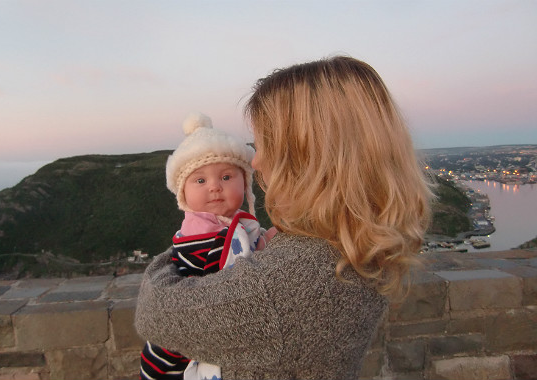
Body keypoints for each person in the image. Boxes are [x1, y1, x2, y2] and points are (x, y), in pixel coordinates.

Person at [135, 56, 433, 379]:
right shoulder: (363, 245)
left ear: (311, 155)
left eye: (265, 144)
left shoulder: (282, 287)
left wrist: (194, 237)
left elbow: (153, 311)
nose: (257, 161)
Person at [140, 112, 273, 380]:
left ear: (245, 183)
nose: (215, 187)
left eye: (226, 177)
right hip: (173, 359)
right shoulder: (198, 236)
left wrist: (267, 241)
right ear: (183, 194)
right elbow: (229, 281)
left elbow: (248, 247)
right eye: (200, 180)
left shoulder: (231, 224)